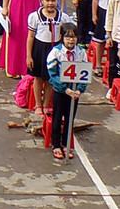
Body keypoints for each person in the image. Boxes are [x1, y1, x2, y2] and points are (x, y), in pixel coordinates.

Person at [46, 22, 86, 160]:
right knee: (57, 118)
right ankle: (56, 144)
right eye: (68, 37)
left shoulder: (81, 53)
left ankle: (66, 144)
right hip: (60, 91)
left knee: (70, 118)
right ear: (62, 37)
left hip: (74, 93)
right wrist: (66, 89)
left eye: (74, 37)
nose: (71, 40)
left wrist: (79, 90)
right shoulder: (56, 52)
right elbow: (53, 75)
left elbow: (84, 74)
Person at [26, 0, 67, 116]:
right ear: (41, 1)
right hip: (39, 49)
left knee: (51, 78)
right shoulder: (34, 16)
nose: (50, 3)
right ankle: (38, 105)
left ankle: (46, 104)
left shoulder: (63, 18)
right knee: (38, 78)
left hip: (55, 49)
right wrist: (29, 55)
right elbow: (30, 37)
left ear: (57, 1)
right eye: (47, 0)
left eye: (53, 0)